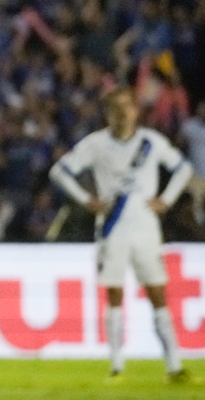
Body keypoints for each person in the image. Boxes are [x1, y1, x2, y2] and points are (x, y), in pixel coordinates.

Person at [49, 87, 193, 383]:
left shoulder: (151, 142)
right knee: (114, 295)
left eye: (127, 107)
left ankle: (174, 366)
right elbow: (60, 171)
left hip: (145, 229)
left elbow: (182, 169)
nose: (123, 113)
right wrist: (86, 200)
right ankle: (116, 367)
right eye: (116, 108)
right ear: (108, 113)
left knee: (158, 294)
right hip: (112, 230)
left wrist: (166, 199)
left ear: (136, 111)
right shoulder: (96, 144)